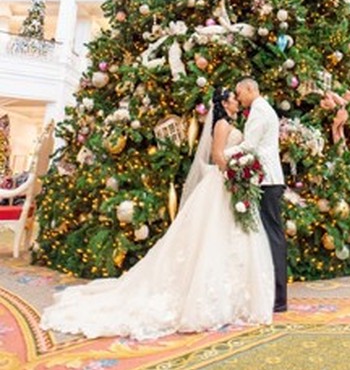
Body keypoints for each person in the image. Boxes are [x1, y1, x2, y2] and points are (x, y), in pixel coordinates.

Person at [41, 88, 273, 340]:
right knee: (212, 237)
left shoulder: (229, 123)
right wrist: (235, 173)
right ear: (225, 103)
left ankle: (231, 297)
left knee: (227, 237)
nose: (237, 101)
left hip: (227, 186)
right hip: (222, 183)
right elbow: (217, 156)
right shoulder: (221, 125)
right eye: (233, 98)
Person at [232, 78, 287, 313]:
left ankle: (278, 297)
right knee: (271, 233)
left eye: (239, 93)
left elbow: (250, 146)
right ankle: (275, 294)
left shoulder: (259, 110)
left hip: (267, 180)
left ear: (249, 89)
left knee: (272, 235)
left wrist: (223, 156)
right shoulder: (262, 108)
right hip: (269, 178)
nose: (238, 98)